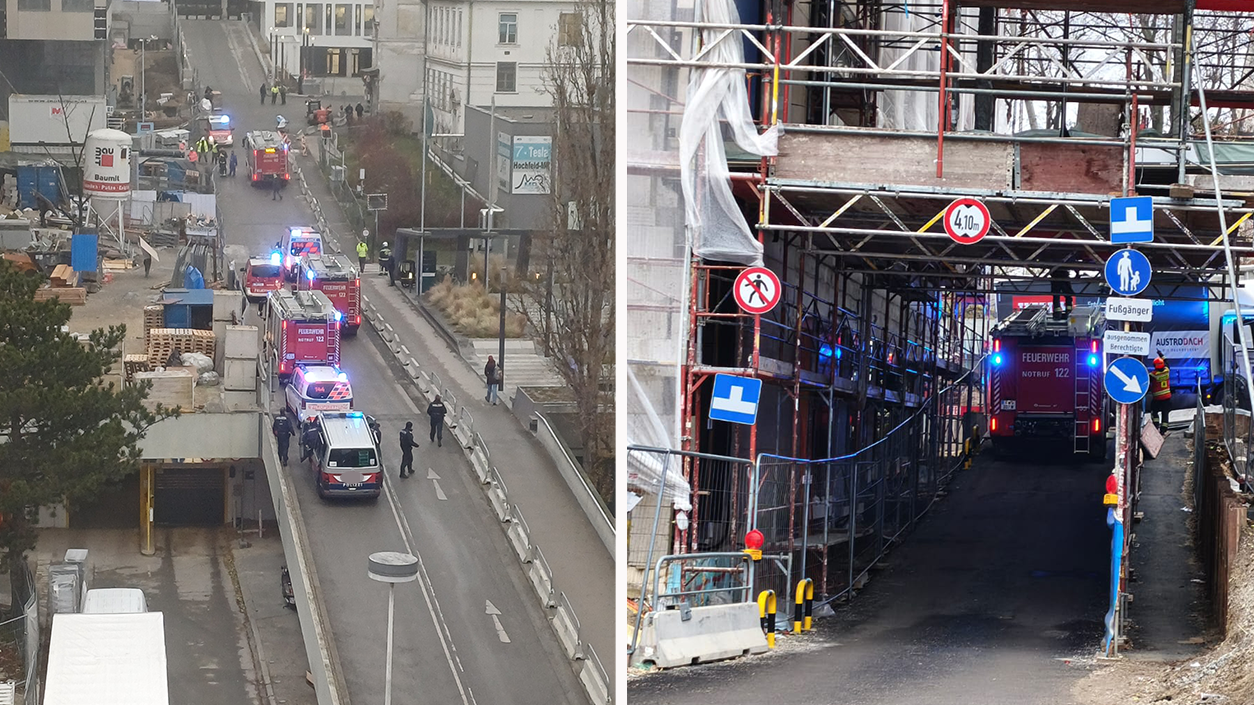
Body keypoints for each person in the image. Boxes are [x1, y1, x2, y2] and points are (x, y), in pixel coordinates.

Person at [1149, 357, 1172, 431]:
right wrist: (1162, 355)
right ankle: (1163, 429)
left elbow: (1147, 382)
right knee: (1165, 413)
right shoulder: (1167, 370)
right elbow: (1167, 363)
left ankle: (1156, 425)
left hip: (1157, 398)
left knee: (1154, 411)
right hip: (1167, 397)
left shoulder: (1153, 374)